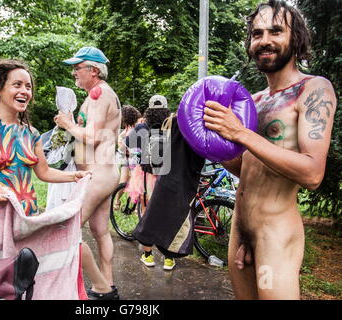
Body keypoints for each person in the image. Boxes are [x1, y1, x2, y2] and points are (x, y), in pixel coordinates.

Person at [203, 0, 337, 299]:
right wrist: (216, 141)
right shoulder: (254, 100)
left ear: (296, 38)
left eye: (275, 31)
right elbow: (248, 167)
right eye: (257, 33)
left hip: (276, 233)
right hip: (240, 229)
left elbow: (313, 173)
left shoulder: (313, 89)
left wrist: (239, 132)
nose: (264, 40)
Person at [0, 59, 89, 251]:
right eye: (17, 85)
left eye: (28, 87)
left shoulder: (32, 133)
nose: (25, 91)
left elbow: (44, 172)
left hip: (28, 219)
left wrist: (74, 176)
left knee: (27, 279)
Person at [54, 47, 122, 300]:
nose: (73, 73)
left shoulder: (98, 93)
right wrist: (71, 126)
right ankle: (107, 286)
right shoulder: (99, 94)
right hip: (104, 173)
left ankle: (98, 285)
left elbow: (92, 138)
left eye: (77, 67)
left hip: (98, 174)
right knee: (100, 232)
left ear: (93, 70)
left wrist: (68, 124)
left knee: (66, 229)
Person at [123, 95, 175, 270]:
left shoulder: (142, 127)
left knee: (147, 214)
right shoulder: (172, 126)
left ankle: (148, 255)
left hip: (146, 176)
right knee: (168, 215)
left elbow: (128, 143)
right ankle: (169, 258)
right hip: (167, 176)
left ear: (149, 110)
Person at [114, 105, 141, 211]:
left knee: (124, 180)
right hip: (133, 156)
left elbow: (121, 144)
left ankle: (117, 202)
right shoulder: (136, 127)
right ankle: (134, 207)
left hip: (126, 156)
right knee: (135, 181)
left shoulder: (127, 129)